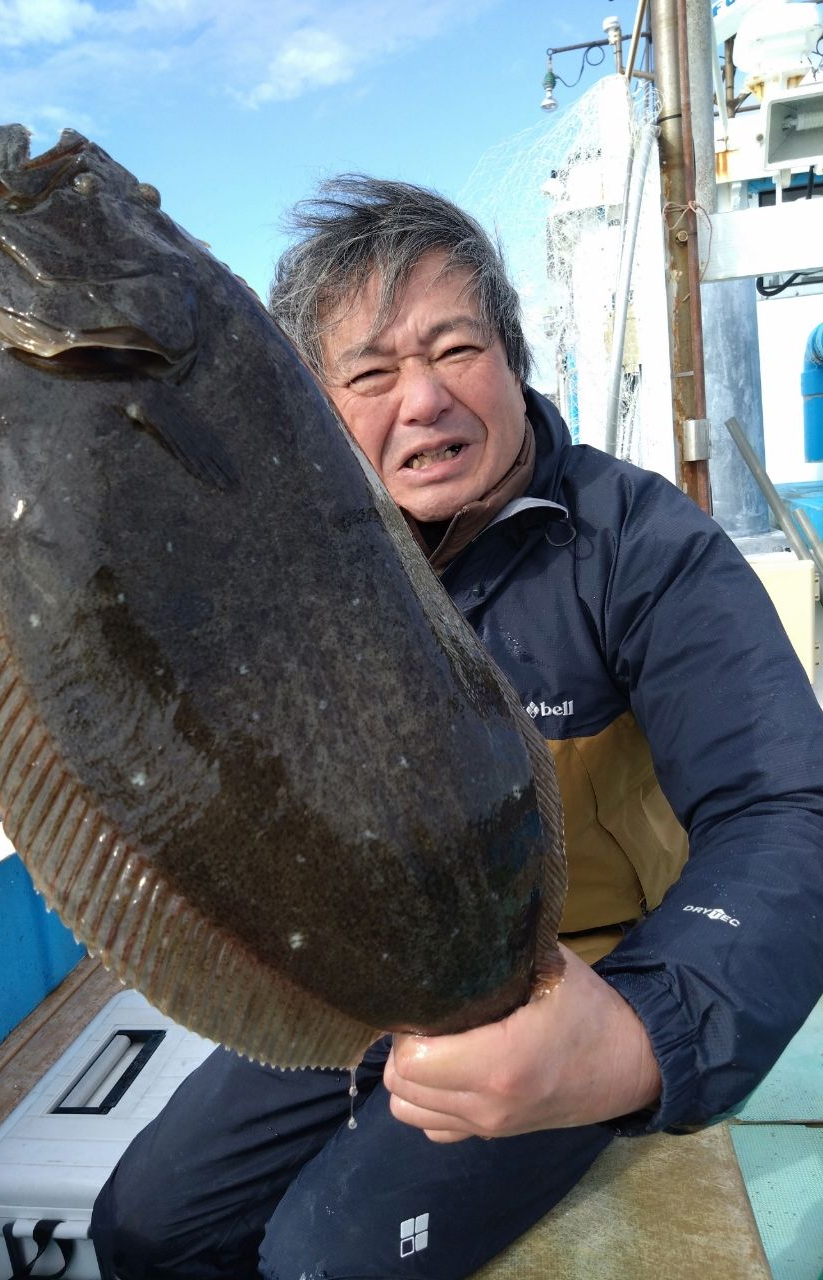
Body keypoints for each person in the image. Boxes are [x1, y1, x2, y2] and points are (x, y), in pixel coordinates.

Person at [91, 176, 823, 1279]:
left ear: (513, 357)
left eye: (456, 349)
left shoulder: (642, 545)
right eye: (372, 373)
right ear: (319, 410)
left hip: (575, 984)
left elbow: (786, 804)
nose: (422, 400)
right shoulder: (293, 573)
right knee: (144, 1222)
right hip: (366, 973)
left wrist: (638, 1034)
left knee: (319, 1259)